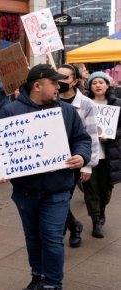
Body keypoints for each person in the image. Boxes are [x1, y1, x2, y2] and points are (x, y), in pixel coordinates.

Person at [0, 64, 92, 290]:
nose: (59, 87)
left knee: (51, 238)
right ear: (37, 86)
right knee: (33, 237)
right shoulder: (10, 112)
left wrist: (81, 155)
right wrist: (2, 167)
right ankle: (38, 276)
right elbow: (1, 146)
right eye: (54, 83)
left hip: (57, 189)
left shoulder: (66, 111)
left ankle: (52, 284)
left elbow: (82, 138)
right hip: (25, 191)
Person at [57, 64, 99, 248]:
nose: (60, 81)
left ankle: (70, 229)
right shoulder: (50, 100)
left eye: (65, 78)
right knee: (55, 199)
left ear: (75, 81)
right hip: (51, 160)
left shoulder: (86, 104)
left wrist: (87, 165)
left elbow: (91, 136)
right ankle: (74, 226)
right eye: (57, 77)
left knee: (61, 199)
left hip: (73, 161)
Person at [83, 71, 121, 239]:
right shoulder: (85, 104)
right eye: (94, 83)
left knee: (106, 189)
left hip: (110, 154)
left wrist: (112, 135)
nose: (98, 85)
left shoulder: (117, 104)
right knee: (91, 189)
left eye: (101, 82)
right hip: (90, 155)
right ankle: (96, 220)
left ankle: (102, 209)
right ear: (90, 87)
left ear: (107, 85)